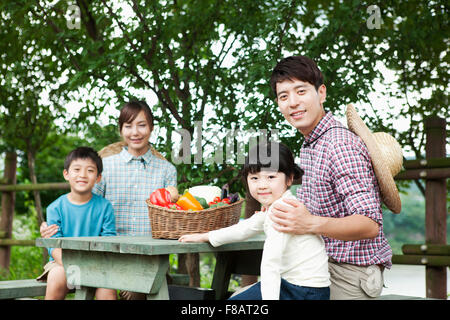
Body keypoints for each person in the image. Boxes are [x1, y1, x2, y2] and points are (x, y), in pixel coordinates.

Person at [268, 56, 403, 299]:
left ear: (321, 93)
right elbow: (321, 210)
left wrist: (308, 223)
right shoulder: (312, 144)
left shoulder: (339, 145)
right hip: (321, 265)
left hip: (351, 274)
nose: (293, 103)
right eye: (284, 96)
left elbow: (369, 224)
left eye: (301, 91)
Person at [40, 100, 177, 300]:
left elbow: (171, 218)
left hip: (148, 260)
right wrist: (49, 229)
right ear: (121, 130)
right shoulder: (104, 167)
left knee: (140, 290)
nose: (135, 132)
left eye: (141, 125)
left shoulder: (166, 170)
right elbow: (84, 203)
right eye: (128, 126)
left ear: (151, 127)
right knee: (103, 285)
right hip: (107, 257)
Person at [179, 141, 331, 300]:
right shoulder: (280, 204)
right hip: (306, 288)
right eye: (255, 178)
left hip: (301, 291)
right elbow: (246, 228)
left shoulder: (282, 210)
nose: (262, 185)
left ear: (289, 179)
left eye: (271, 177)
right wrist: (207, 236)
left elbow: (270, 264)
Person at [36, 147, 117, 300]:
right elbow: (53, 245)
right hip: (61, 263)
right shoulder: (55, 208)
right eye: (77, 169)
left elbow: (108, 241)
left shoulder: (105, 207)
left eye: (90, 171)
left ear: (98, 177)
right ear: (66, 174)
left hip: (96, 264)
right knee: (57, 275)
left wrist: (89, 267)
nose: (82, 175)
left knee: (108, 289)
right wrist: (74, 267)